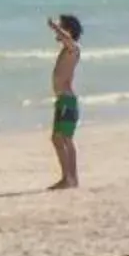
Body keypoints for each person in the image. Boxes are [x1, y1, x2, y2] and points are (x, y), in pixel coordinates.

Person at [47, 14, 82, 189]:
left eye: (62, 27)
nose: (58, 31)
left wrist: (54, 27)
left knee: (65, 139)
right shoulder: (66, 49)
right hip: (62, 100)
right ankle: (68, 177)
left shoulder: (73, 48)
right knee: (58, 139)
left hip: (67, 101)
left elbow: (69, 39)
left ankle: (71, 178)